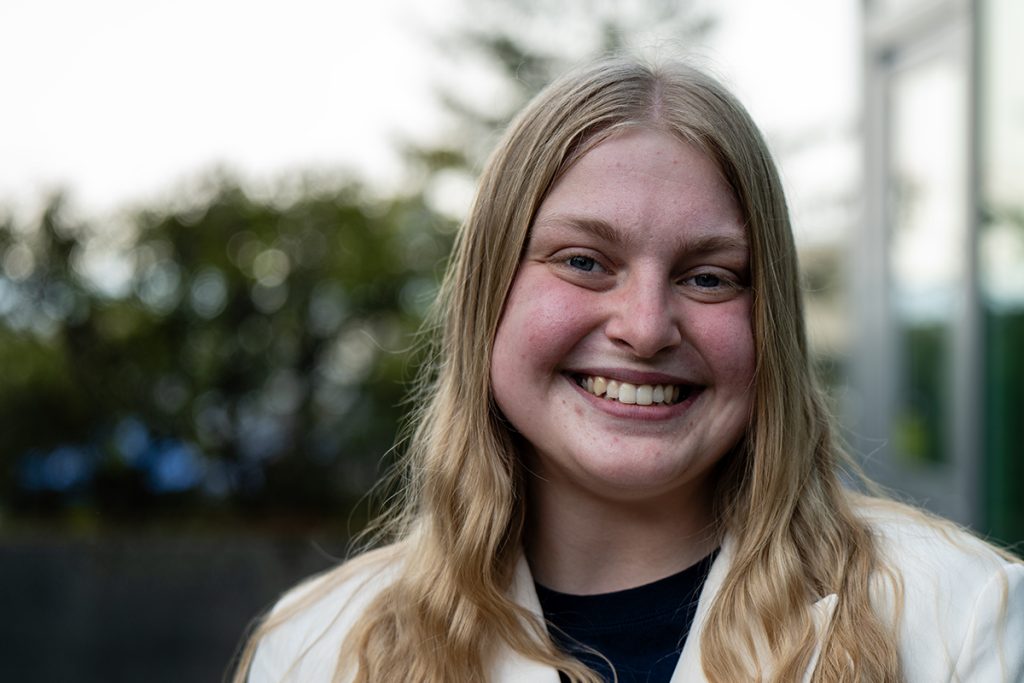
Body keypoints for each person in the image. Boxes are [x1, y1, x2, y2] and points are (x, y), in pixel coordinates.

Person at [233, 56, 1023, 683]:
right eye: (584, 261)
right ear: (487, 298)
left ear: (770, 321)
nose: (646, 328)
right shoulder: (316, 651)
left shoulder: (965, 620)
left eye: (709, 276)